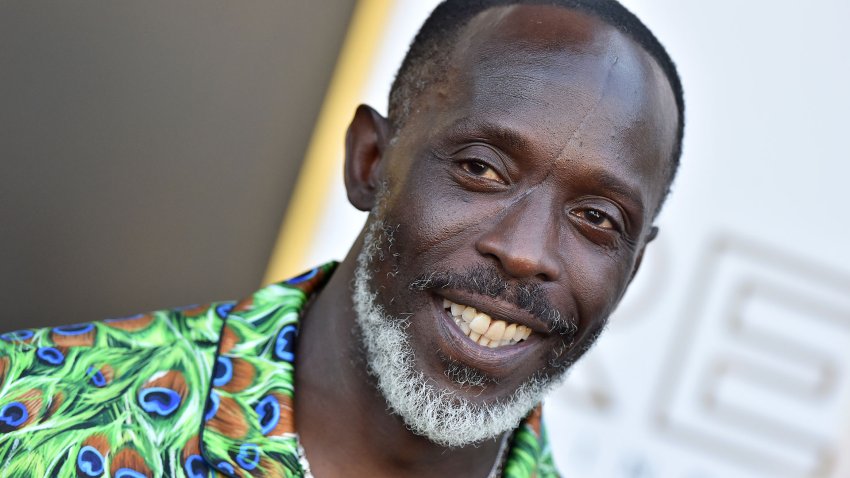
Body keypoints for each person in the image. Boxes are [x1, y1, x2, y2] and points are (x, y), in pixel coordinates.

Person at [0, 0, 684, 476]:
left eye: (598, 218)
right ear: (370, 163)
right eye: (481, 169)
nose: (527, 252)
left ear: (632, 266)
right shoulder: (29, 414)